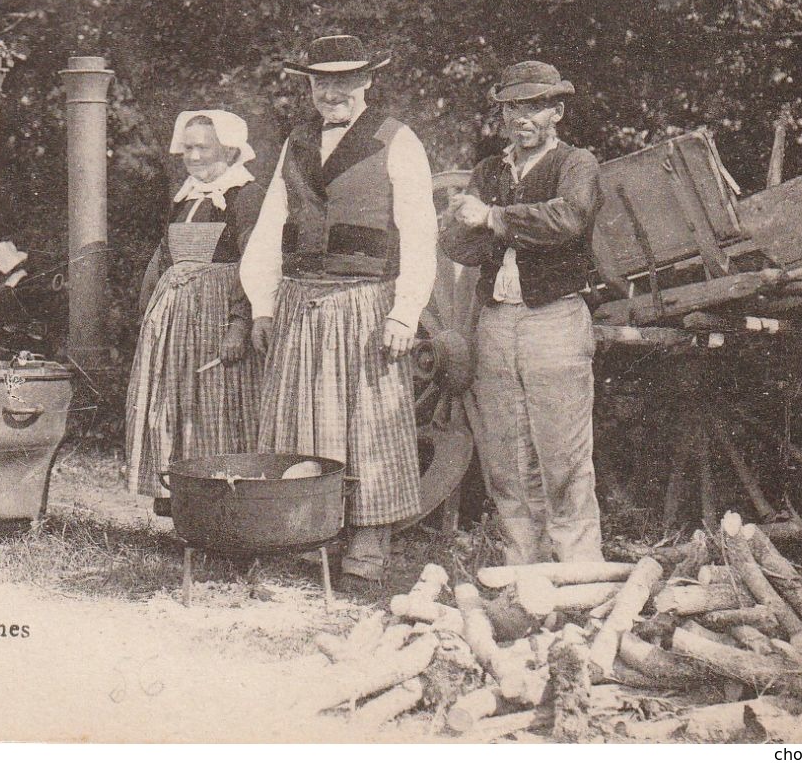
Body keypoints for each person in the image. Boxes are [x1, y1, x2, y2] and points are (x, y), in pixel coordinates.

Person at [239, 35, 438, 586]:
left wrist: (405, 313)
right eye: (321, 81)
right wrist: (262, 304)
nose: (332, 92)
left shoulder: (398, 140)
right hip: (301, 301)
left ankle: (369, 543)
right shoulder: (295, 142)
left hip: (365, 303)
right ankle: (306, 534)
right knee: (300, 420)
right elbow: (270, 226)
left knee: (370, 422)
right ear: (309, 86)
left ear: (367, 82)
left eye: (344, 81)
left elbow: (422, 233)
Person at [439, 60, 604, 565]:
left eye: (534, 107)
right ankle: (521, 566)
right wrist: (458, 221)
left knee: (563, 453)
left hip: (553, 320)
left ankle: (578, 569)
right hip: (497, 322)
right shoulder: (489, 170)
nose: (521, 118)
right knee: (507, 454)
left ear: (556, 111)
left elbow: (569, 218)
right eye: (513, 107)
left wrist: (490, 217)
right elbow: (458, 247)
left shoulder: (577, 164)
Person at [124, 110, 265, 509]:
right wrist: (149, 311)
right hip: (176, 323)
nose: (194, 156)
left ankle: (219, 503)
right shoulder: (185, 196)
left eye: (204, 147)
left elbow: (253, 261)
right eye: (188, 148)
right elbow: (164, 258)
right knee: (175, 402)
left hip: (216, 319)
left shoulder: (245, 195)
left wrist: (239, 324)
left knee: (213, 406)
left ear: (230, 149)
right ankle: (179, 497)